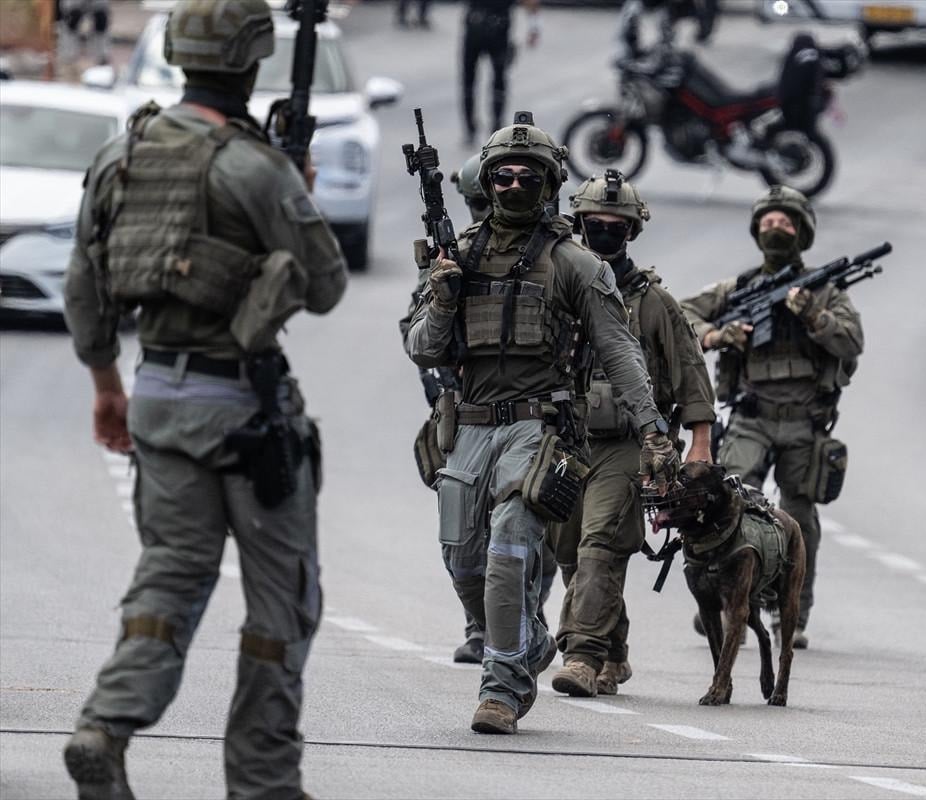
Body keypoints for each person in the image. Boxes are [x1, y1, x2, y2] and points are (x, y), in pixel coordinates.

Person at [59, 1, 347, 796]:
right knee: (282, 599)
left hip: (156, 392)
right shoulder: (256, 168)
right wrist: (299, 192)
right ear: (252, 63)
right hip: (246, 409)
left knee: (171, 576)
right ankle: (263, 780)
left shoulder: (122, 154)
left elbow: (84, 284)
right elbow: (324, 286)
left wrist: (107, 386)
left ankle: (106, 725)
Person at [405, 114, 680, 735]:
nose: (514, 186)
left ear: (550, 184)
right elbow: (422, 348)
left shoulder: (573, 263)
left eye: (528, 177)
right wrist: (443, 298)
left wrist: (653, 431)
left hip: (540, 427)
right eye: (503, 176)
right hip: (469, 427)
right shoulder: (457, 257)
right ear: (488, 181)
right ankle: (525, 639)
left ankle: (501, 690)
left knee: (509, 544)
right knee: (464, 560)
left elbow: (620, 351)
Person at [549, 170, 716, 698]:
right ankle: (613, 651)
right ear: (578, 224)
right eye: (594, 224)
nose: (604, 232)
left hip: (628, 444)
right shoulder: (559, 285)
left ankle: (581, 655)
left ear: (631, 232)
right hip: (566, 439)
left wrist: (699, 444)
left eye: (615, 226)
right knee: (568, 549)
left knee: (601, 541)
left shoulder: (653, 302)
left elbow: (691, 374)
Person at [681, 185, 863, 651]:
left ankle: (790, 613)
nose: (775, 228)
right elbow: (679, 316)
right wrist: (718, 334)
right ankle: (728, 602)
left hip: (805, 422)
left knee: (799, 517)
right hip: (751, 416)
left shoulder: (824, 291)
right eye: (768, 221)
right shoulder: (737, 289)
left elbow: (851, 341)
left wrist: (814, 315)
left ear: (802, 232)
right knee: (731, 504)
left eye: (785, 222)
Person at [401, 153, 557, 666]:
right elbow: (417, 334)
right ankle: (485, 624)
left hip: (532, 413)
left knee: (523, 520)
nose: (487, 208)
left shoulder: (551, 253)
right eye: (477, 201)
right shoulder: (458, 254)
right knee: (461, 530)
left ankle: (522, 623)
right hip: (463, 406)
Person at [460, 0, 541, 144]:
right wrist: (534, 26)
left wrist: (534, 27)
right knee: (493, 80)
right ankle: (489, 127)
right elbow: (530, 3)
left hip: (482, 26)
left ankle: (478, 127)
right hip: (493, 27)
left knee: (475, 81)